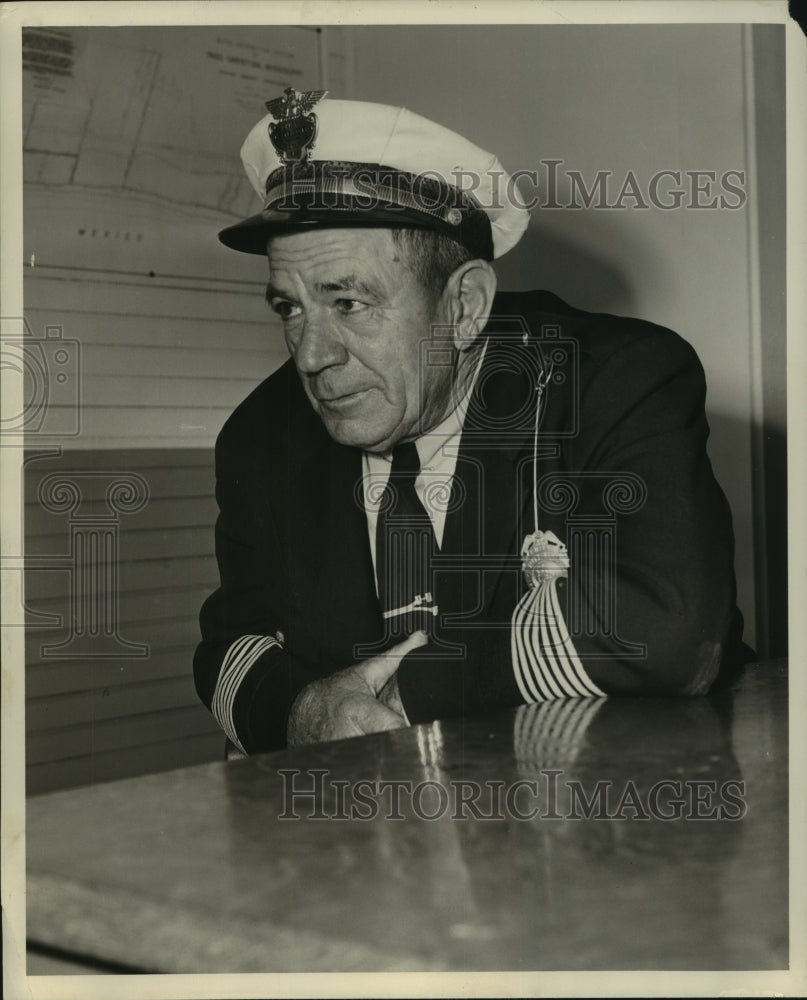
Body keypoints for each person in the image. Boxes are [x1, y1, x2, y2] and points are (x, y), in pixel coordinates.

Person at [194, 90, 749, 755]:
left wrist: (415, 694)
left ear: (464, 305)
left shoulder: (616, 379)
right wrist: (298, 712)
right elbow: (231, 646)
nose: (311, 355)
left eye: (348, 301)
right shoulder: (262, 436)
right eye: (289, 308)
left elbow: (670, 630)